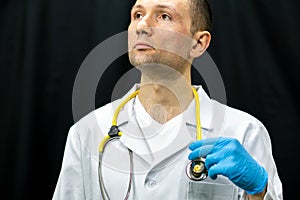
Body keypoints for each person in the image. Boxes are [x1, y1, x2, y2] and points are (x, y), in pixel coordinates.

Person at [53, 0, 283, 199]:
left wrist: (260, 191)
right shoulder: (87, 133)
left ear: (198, 43)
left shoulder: (244, 132)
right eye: (138, 15)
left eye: (164, 16)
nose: (142, 26)